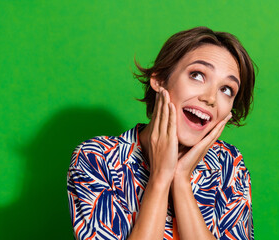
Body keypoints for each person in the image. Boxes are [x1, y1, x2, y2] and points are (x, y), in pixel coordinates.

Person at [67, 26, 256, 240]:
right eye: (197, 75)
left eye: (226, 89)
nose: (211, 98)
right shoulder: (97, 159)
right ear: (159, 79)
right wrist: (160, 177)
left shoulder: (228, 165)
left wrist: (181, 180)